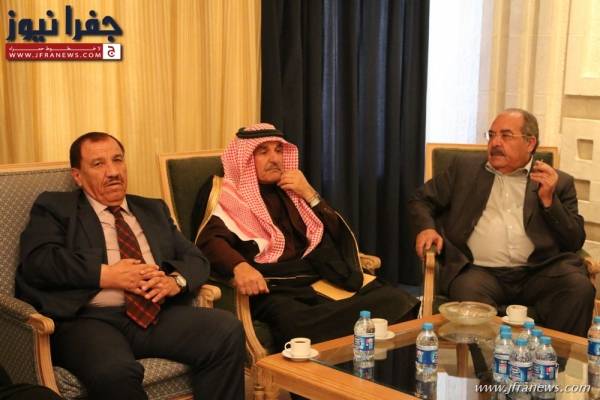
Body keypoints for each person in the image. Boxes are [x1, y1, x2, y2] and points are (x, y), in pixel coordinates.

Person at [15, 132, 245, 400]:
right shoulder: (56, 207)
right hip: (88, 320)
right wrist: (106, 275)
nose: (113, 172)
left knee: (226, 330)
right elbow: (38, 261)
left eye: (117, 160)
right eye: (98, 164)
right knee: (116, 372)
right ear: (78, 176)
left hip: (154, 313)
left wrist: (175, 282)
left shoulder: (152, 209)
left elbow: (196, 259)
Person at [196, 123, 419, 349]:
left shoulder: (292, 188)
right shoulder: (224, 192)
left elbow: (337, 234)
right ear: (243, 158)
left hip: (317, 277)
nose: (275, 159)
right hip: (273, 287)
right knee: (295, 324)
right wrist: (239, 266)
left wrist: (310, 193)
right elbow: (209, 240)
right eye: (263, 152)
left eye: (279, 150)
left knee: (398, 300)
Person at [408, 108, 595, 336]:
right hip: (479, 272)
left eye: (506, 136)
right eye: (492, 135)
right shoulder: (464, 169)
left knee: (578, 288)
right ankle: (494, 359)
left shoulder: (557, 182)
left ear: (530, 143)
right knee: (468, 293)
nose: (495, 142)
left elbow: (574, 241)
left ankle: (553, 357)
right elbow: (421, 200)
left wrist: (549, 201)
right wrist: (426, 229)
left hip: (538, 272)